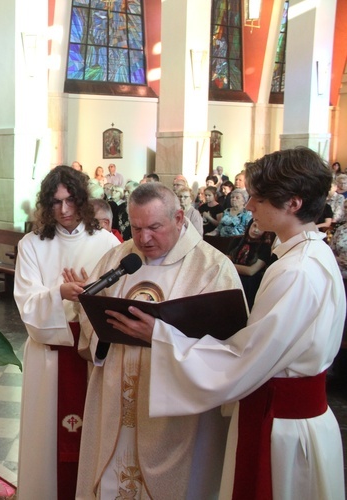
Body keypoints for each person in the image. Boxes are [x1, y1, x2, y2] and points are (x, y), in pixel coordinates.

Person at [109, 147, 346, 499]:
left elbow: (245, 360)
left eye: (258, 198)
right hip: (292, 420)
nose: (249, 206)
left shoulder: (296, 272)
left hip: (282, 428)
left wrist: (161, 336)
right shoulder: (311, 253)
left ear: (293, 203)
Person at [76, 182, 242, 499]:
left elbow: (228, 350)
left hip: (176, 419)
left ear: (179, 218)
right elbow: (89, 317)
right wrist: (103, 332)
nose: (144, 239)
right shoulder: (118, 258)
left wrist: (159, 336)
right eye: (136, 228)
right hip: (116, 405)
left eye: (154, 227)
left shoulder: (213, 268)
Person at [14, 165, 119, 500]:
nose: (64, 210)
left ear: (82, 200)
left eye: (70, 200)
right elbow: (26, 302)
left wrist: (92, 293)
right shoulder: (31, 244)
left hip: (92, 353)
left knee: (93, 433)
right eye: (56, 202)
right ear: (47, 205)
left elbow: (119, 296)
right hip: (49, 356)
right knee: (45, 439)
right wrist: (59, 293)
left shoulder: (105, 242)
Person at [228, 219, 275, 307]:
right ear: (249, 226)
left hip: (250, 282)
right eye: (254, 226)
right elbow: (226, 260)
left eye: (260, 228)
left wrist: (230, 266)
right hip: (231, 275)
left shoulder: (265, 247)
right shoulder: (236, 240)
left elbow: (251, 271)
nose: (256, 230)